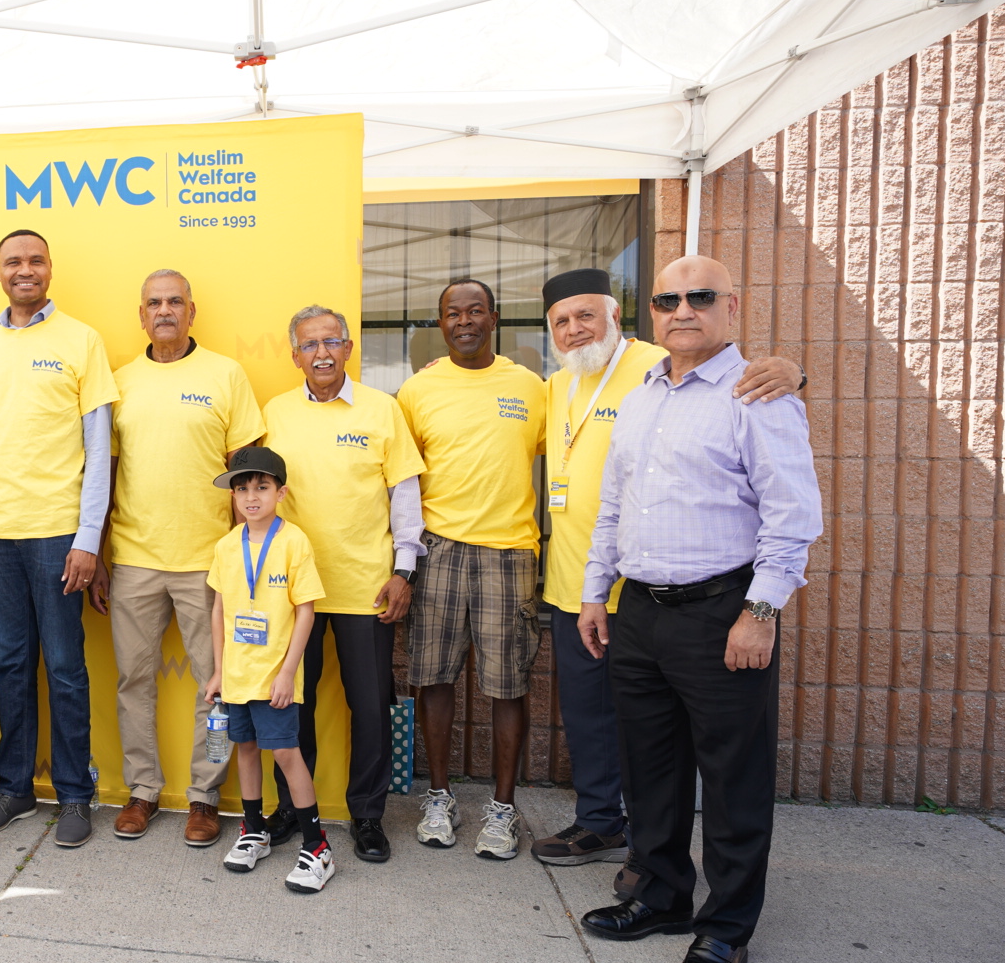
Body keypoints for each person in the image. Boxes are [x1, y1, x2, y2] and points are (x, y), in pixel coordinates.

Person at [576, 255, 822, 963]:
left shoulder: (760, 395)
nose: (682, 310)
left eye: (700, 296)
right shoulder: (641, 397)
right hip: (640, 612)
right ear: (651, 312)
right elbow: (613, 505)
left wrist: (760, 613)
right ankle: (660, 894)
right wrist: (595, 593)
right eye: (667, 299)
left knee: (733, 778)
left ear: (731, 307)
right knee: (650, 768)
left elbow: (792, 517)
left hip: (724, 612)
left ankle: (726, 930)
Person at [532, 269, 804, 889]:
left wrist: (793, 372)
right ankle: (610, 832)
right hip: (587, 587)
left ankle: (712, 905)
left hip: (692, 596)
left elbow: (785, 493)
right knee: (620, 735)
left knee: (711, 759)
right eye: (561, 322)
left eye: (586, 315)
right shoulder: (564, 384)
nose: (575, 330)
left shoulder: (659, 366)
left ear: (617, 316)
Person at [0, 230, 118, 849]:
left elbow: (99, 449)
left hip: (57, 532)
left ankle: (75, 793)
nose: (25, 270)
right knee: (10, 665)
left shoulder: (82, 340)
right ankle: (16, 789)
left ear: (50, 269)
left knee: (66, 667)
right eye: (13, 262)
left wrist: (88, 538)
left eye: (35, 260)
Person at [101, 269, 264, 846]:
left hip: (209, 562)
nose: (165, 310)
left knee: (215, 686)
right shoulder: (119, 382)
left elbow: (248, 471)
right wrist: (98, 550)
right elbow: (105, 474)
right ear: (141, 315)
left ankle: (205, 797)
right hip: (134, 557)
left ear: (192, 312)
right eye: (154, 302)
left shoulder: (226, 374)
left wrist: (245, 555)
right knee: (133, 681)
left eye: (175, 301)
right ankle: (142, 790)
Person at [259, 306, 424, 863]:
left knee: (371, 707)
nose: (322, 353)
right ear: (295, 356)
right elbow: (258, 495)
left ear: (349, 348)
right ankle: (292, 808)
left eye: (331, 341)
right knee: (291, 705)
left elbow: (405, 496)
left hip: (365, 585)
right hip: (293, 590)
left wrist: (404, 570)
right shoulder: (276, 412)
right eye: (310, 345)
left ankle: (368, 815)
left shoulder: (382, 409)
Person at [396, 278, 544, 861]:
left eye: (475, 311)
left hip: (510, 553)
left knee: (508, 684)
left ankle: (503, 809)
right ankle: (439, 797)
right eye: (452, 313)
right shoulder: (417, 390)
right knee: (432, 678)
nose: (464, 321)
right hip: (439, 550)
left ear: (494, 318)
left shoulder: (530, 387)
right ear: (441, 325)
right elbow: (402, 479)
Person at [203, 448, 332, 892]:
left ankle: (317, 846)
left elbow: (306, 612)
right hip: (237, 675)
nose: (251, 497)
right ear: (233, 496)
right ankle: (253, 831)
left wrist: (287, 672)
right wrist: (219, 671)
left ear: (281, 492)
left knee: (286, 754)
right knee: (245, 749)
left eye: (261, 487)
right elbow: (219, 611)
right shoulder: (227, 545)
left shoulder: (294, 542)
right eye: (242, 489)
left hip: (275, 676)